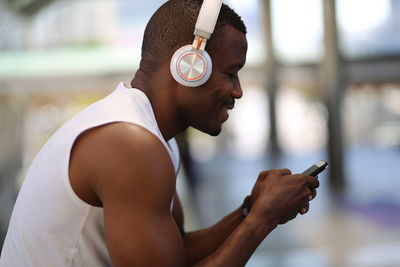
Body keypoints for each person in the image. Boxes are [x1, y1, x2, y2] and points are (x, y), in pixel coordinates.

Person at [0, 0, 319, 266]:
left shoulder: (148, 133)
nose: (237, 91)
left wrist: (249, 209)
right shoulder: (130, 145)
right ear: (190, 64)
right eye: (231, 73)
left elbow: (173, 254)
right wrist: (262, 219)